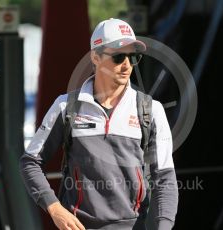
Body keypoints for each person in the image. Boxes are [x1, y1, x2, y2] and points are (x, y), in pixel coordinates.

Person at [20, 18, 178, 230]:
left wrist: (164, 226)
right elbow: (30, 162)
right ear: (95, 57)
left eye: (134, 57)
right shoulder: (66, 106)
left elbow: (165, 178)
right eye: (119, 56)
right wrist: (54, 208)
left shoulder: (151, 109)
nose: (127, 65)